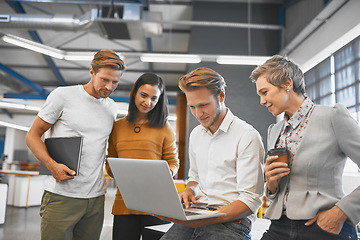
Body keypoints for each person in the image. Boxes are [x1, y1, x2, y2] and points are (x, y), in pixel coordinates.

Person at [250, 55, 360, 240]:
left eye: (265, 92)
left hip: (323, 226)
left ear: (286, 83)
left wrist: (341, 212)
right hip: (280, 226)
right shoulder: (275, 130)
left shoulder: (333, 117)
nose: (262, 101)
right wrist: (272, 183)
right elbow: (276, 193)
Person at [25, 50, 125, 240]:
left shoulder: (112, 107)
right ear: (92, 72)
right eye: (104, 79)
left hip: (96, 197)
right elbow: (32, 136)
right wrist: (52, 165)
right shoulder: (63, 96)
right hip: (61, 195)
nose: (109, 86)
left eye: (115, 82)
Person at [159, 67, 265, 240]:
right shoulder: (196, 134)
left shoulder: (247, 136)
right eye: (192, 107)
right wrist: (189, 189)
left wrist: (206, 220)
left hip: (231, 223)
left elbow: (250, 200)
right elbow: (194, 177)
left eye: (203, 105)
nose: (198, 114)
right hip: (198, 214)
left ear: (221, 96)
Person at [105, 72, 179, 240]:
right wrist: (120, 172)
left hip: (157, 205)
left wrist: (165, 173)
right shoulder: (117, 127)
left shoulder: (165, 128)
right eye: (144, 95)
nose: (148, 102)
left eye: (154, 98)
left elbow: (173, 163)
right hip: (124, 203)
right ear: (134, 93)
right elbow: (110, 163)